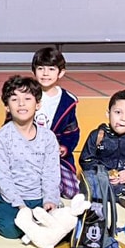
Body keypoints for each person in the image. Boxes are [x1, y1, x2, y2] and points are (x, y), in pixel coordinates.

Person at [0, 75, 60, 239]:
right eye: (14, 99)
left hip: (39, 197)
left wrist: (50, 200)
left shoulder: (48, 137)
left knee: (57, 225)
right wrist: (20, 206)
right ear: (7, 106)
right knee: (11, 229)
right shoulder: (1, 137)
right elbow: (3, 177)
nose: (21, 104)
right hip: (11, 199)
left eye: (27, 99)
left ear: (38, 104)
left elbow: (51, 173)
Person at [31, 47, 80, 198]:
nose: (45, 73)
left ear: (61, 72)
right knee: (33, 187)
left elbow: (72, 132)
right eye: (41, 68)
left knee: (71, 191)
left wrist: (64, 147)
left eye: (51, 69)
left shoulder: (68, 101)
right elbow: (11, 126)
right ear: (34, 71)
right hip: (28, 156)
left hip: (56, 159)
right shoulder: (24, 95)